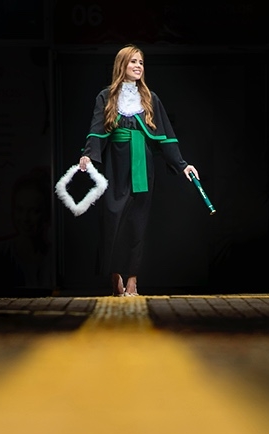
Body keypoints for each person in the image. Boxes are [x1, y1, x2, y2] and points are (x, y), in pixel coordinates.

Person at [79, 45, 199, 296]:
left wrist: (181, 164)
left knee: (137, 223)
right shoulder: (106, 96)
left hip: (142, 164)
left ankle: (132, 279)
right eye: (133, 61)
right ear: (121, 65)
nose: (138, 66)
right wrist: (89, 154)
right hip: (115, 164)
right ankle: (115, 275)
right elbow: (97, 128)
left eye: (141, 62)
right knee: (113, 220)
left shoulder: (150, 98)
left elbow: (165, 136)